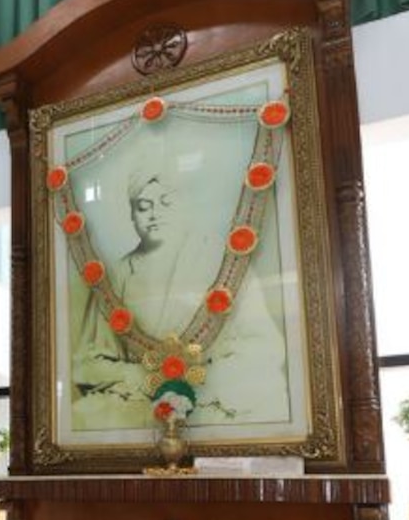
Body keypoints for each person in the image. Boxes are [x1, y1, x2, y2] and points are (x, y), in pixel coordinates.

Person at [71, 162, 287, 431]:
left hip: (214, 395)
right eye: (143, 206)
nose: (154, 213)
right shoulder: (118, 274)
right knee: (84, 417)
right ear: (131, 215)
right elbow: (87, 364)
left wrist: (204, 383)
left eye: (165, 202)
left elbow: (263, 346)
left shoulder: (224, 263)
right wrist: (141, 376)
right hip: (137, 397)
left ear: (184, 206)